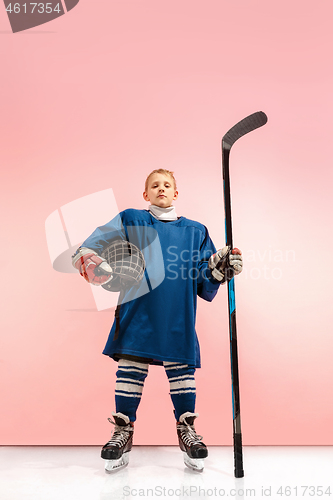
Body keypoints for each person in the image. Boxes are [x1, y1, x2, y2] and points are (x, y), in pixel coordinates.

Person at [72, 169, 243, 472]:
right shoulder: (131, 219)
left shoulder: (196, 231)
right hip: (137, 312)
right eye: (154, 185)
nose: (160, 189)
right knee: (130, 369)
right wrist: (88, 258)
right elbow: (91, 247)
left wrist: (220, 267)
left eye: (167, 185)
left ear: (176, 194)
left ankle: (186, 430)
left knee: (181, 371)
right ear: (145, 194)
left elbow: (205, 280)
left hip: (178, 314)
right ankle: (122, 431)